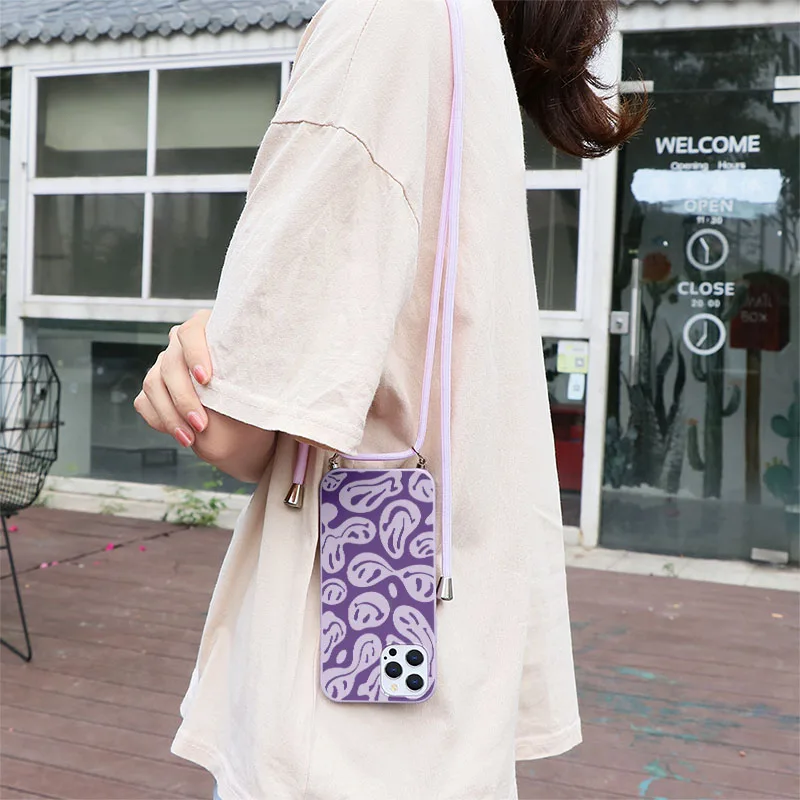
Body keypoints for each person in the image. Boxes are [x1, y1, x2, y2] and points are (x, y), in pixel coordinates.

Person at [134, 0, 645, 798]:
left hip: (338, 738)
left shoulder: (386, 20)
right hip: (448, 691)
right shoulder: (461, 35)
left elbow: (233, 431)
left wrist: (199, 340)